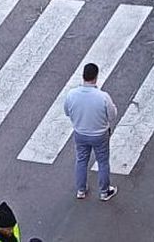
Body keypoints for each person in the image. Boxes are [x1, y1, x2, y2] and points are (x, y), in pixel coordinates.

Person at [63, 62, 118, 202]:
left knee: (81, 160)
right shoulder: (103, 97)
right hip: (100, 135)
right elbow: (112, 116)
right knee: (103, 162)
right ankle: (104, 192)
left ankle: (81, 190)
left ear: (83, 76)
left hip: (80, 133)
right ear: (96, 77)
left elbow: (67, 112)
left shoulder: (72, 94)